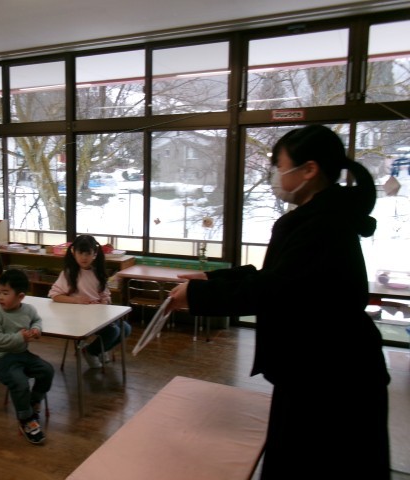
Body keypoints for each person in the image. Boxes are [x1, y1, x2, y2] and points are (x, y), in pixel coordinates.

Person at [166, 125, 390, 480]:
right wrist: (211, 279)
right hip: (323, 368)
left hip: (331, 378)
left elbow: (275, 289)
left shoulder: (321, 224)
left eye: (280, 166)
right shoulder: (325, 216)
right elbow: (281, 276)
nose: (276, 175)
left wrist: (196, 296)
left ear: (309, 169)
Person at [0, 269, 54, 445]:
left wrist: (37, 329)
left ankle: (33, 403)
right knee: (20, 382)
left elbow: (37, 320)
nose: (0, 297)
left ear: (20, 296)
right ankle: (26, 419)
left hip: (20, 354)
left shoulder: (28, 310)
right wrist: (19, 337)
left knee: (47, 370)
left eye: (5, 293)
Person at [48, 234, 131, 369]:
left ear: (95, 254)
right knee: (113, 331)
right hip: (78, 318)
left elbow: (105, 295)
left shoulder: (97, 272)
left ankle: (99, 350)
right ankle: (90, 352)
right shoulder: (68, 273)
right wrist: (76, 300)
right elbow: (55, 295)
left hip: (97, 315)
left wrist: (104, 302)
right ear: (74, 252)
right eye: (80, 253)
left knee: (126, 328)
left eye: (88, 254)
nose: (84, 257)